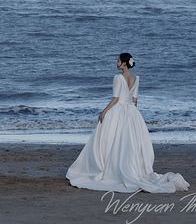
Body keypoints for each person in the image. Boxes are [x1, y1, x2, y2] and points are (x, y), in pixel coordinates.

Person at [66, 53, 189, 193]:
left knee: (110, 140)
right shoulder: (136, 78)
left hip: (118, 110)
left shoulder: (118, 77)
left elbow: (116, 99)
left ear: (124, 63)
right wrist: (132, 116)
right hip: (132, 112)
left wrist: (104, 112)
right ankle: (132, 168)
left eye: (118, 60)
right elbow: (135, 100)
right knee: (129, 142)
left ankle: (106, 168)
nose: (116, 62)